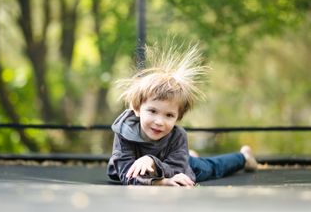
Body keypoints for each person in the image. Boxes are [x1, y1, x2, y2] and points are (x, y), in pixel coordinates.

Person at [107, 42, 258, 186]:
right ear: (137, 108)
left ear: (178, 117)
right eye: (152, 111)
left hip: (179, 164)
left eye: (169, 115)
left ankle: (244, 157)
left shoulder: (177, 135)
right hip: (162, 170)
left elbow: (178, 171)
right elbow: (127, 174)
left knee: (211, 168)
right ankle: (187, 154)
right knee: (185, 158)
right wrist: (162, 182)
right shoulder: (124, 132)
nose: (159, 121)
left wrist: (151, 161)